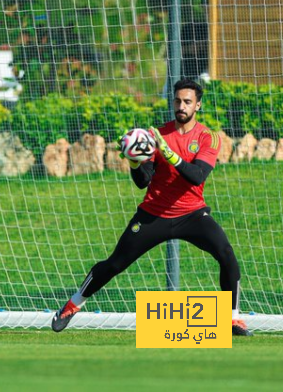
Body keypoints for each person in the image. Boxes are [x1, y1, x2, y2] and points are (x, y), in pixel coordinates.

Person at [52, 79, 252, 337]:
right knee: (114, 264)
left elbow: (198, 175)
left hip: (192, 214)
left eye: (188, 102)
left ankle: (233, 319)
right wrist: (134, 162)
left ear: (198, 105)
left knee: (225, 252)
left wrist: (169, 154)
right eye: (178, 100)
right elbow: (142, 182)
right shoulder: (155, 136)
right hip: (153, 215)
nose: (181, 106)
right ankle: (71, 306)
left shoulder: (207, 137)